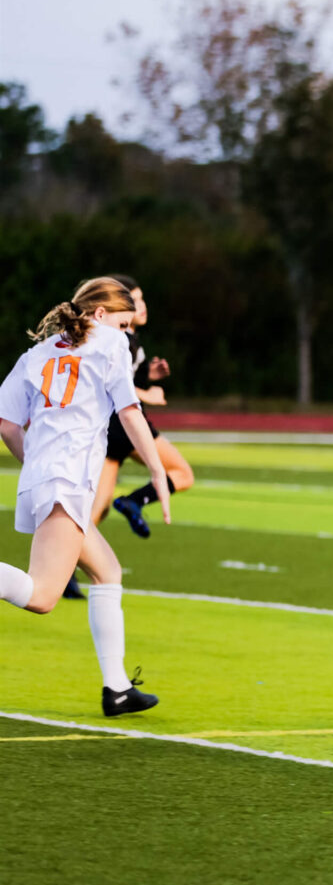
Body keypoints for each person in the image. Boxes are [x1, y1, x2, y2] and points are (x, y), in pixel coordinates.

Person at [0, 277, 171, 716]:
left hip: (49, 477)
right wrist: (156, 468)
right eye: (123, 322)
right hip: (68, 480)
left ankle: (116, 688)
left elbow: (6, 424)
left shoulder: (36, 354)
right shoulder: (111, 346)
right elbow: (130, 413)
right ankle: (115, 687)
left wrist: (37, 464)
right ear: (99, 315)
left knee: (107, 571)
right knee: (41, 597)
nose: (128, 332)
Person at [95, 273, 195, 541]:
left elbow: (126, 374)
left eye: (141, 299)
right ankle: (132, 502)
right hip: (125, 425)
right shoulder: (121, 339)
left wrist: (148, 375)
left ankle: (65, 572)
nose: (142, 305)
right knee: (183, 474)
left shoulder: (128, 338)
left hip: (113, 429)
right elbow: (111, 382)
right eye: (134, 300)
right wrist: (146, 393)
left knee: (95, 513)